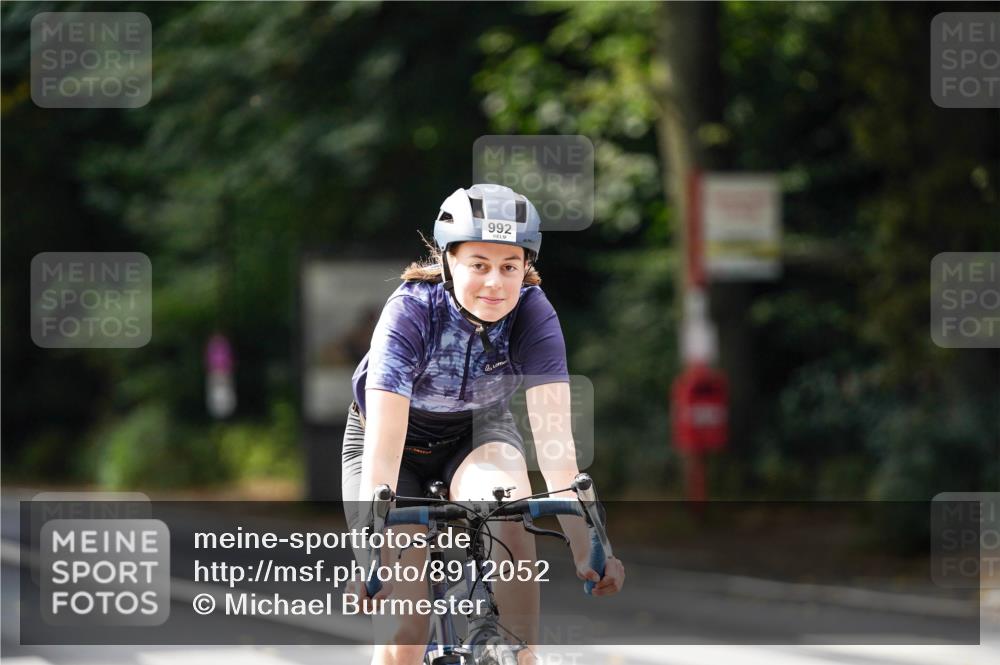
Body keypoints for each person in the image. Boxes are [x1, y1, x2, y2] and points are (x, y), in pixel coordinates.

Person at [342, 183, 625, 665]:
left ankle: (517, 654)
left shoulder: (534, 315)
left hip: (475, 434)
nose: (495, 282)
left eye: (510, 267)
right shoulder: (410, 312)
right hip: (392, 447)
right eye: (479, 265)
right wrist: (375, 553)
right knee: (405, 632)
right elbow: (385, 450)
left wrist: (590, 548)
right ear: (448, 260)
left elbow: (557, 448)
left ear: (525, 268)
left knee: (509, 512)